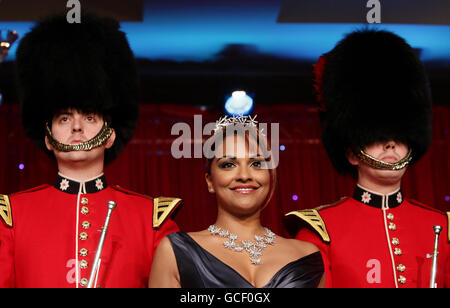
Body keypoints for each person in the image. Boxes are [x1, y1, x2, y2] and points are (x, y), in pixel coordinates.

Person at [0, 14, 182, 288]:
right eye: (63, 118)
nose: (76, 127)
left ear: (109, 136)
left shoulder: (151, 219)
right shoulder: (12, 216)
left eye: (89, 117)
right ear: (48, 139)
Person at [286, 29, 450, 288]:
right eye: (376, 135)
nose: (390, 143)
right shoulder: (320, 232)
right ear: (352, 154)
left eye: (400, 135)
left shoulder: (441, 226)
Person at [149, 115, 324, 288]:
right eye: (228, 164)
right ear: (209, 181)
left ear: (269, 176)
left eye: (256, 163)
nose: (244, 175)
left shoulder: (308, 256)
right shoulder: (176, 252)